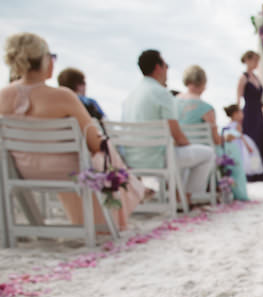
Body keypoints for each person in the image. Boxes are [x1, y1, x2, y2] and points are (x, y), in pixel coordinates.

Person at [0, 32, 144, 230]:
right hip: (69, 172)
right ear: (44, 61)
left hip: (20, 172)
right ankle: (114, 217)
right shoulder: (62, 96)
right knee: (105, 148)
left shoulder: (2, 96)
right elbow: (94, 143)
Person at [122, 49, 215, 208]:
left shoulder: (130, 96)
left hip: (131, 158)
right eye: (166, 65)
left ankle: (176, 195)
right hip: (158, 159)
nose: (167, 69)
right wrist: (187, 145)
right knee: (207, 154)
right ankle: (184, 199)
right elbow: (177, 135)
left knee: (182, 154)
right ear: (158, 68)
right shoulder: (161, 93)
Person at [174, 65, 248, 202]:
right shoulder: (206, 109)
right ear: (203, 84)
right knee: (226, 152)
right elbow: (216, 140)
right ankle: (189, 196)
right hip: (197, 152)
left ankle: (181, 193)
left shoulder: (173, 102)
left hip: (174, 150)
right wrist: (224, 139)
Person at [237, 50, 263, 181]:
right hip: (248, 113)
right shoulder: (243, 78)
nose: (256, 63)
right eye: (255, 60)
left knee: (260, 140)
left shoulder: (257, 78)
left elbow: (259, 98)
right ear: (248, 60)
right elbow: (238, 98)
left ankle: (260, 172)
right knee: (251, 141)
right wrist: (237, 116)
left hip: (259, 113)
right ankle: (250, 173)